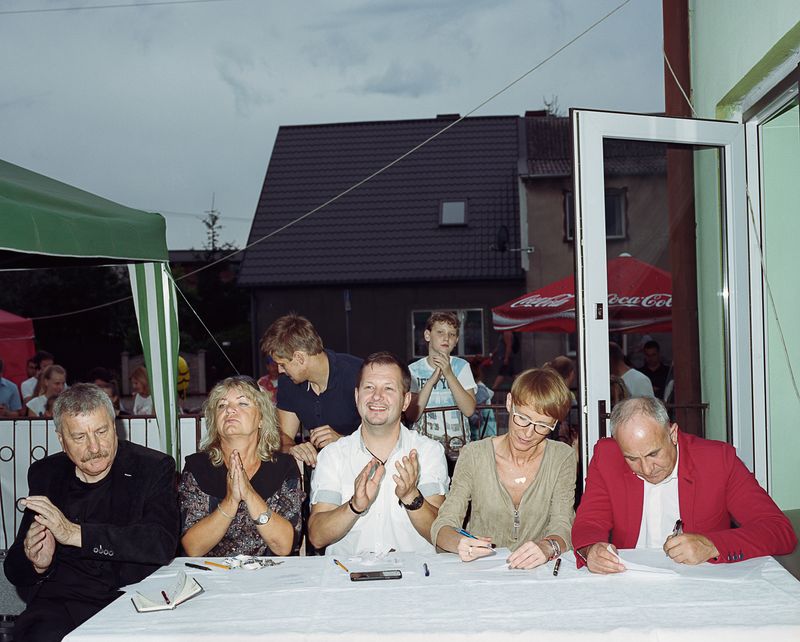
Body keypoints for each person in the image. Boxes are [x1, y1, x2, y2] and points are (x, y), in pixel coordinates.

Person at [4, 383, 179, 641]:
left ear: (114, 427)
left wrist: (75, 534)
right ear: (62, 440)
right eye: (80, 437)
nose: (95, 447)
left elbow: (160, 543)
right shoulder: (47, 474)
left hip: (128, 600)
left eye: (101, 431)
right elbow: (14, 568)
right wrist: (37, 563)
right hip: (58, 603)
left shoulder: (151, 468)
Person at [572, 397, 798, 572]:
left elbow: (779, 531)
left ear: (672, 434)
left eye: (653, 454)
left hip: (701, 583)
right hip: (629, 580)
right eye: (632, 459)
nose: (647, 469)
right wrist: (592, 549)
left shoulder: (718, 461)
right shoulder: (607, 456)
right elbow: (590, 522)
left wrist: (712, 545)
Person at [431, 368, 576, 569]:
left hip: (538, 571)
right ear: (509, 403)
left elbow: (563, 524)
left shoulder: (562, 457)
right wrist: (459, 543)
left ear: (555, 424)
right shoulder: (474, 455)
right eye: (522, 418)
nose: (528, 433)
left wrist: (548, 546)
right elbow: (443, 525)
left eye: (542, 426)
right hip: (482, 569)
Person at [308, 352, 449, 556]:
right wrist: (354, 507)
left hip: (414, 573)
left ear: (406, 400)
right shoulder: (332, 456)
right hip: (349, 573)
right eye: (369, 387)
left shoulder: (427, 452)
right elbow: (317, 537)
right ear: (357, 396)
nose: (377, 396)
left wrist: (411, 496)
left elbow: (442, 536)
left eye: (388, 388)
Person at [179, 376, 302, 557]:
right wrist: (230, 501)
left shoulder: (283, 467)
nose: (229, 410)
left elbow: (283, 546)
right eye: (221, 405)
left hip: (269, 572)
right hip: (212, 572)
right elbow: (193, 548)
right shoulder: (197, 467)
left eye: (242, 403)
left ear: (261, 419)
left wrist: (249, 494)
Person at [260, 313, 362, 468]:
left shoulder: (359, 375)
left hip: (365, 468)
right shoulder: (288, 382)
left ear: (300, 358)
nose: (280, 370)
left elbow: (386, 435)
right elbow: (283, 436)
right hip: (322, 472)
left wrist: (343, 442)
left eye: (282, 364)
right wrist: (292, 449)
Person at [406, 311, 477, 459]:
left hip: (457, 446)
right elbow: (412, 415)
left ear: (456, 340)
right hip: (424, 448)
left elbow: (469, 410)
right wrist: (431, 381)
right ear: (427, 335)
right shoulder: (413, 370)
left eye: (452, 334)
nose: (446, 338)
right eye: (440, 332)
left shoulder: (461, 366)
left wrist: (449, 374)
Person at [467, 357, 496, 441]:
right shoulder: (481, 388)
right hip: (487, 432)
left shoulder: (479, 390)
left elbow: (477, 418)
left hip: (482, 433)